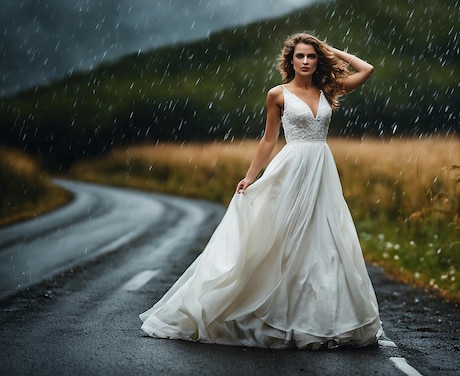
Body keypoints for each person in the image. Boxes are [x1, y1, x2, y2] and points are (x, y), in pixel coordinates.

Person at [139, 32, 382, 350]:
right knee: (279, 240)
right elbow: (269, 140)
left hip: (322, 170)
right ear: (291, 61)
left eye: (311, 56)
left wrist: (330, 49)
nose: (306, 62)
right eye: (300, 56)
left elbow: (367, 69)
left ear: (317, 59)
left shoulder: (327, 89)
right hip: (291, 168)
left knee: (324, 240)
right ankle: (266, 311)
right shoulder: (277, 94)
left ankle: (316, 319)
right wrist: (250, 176)